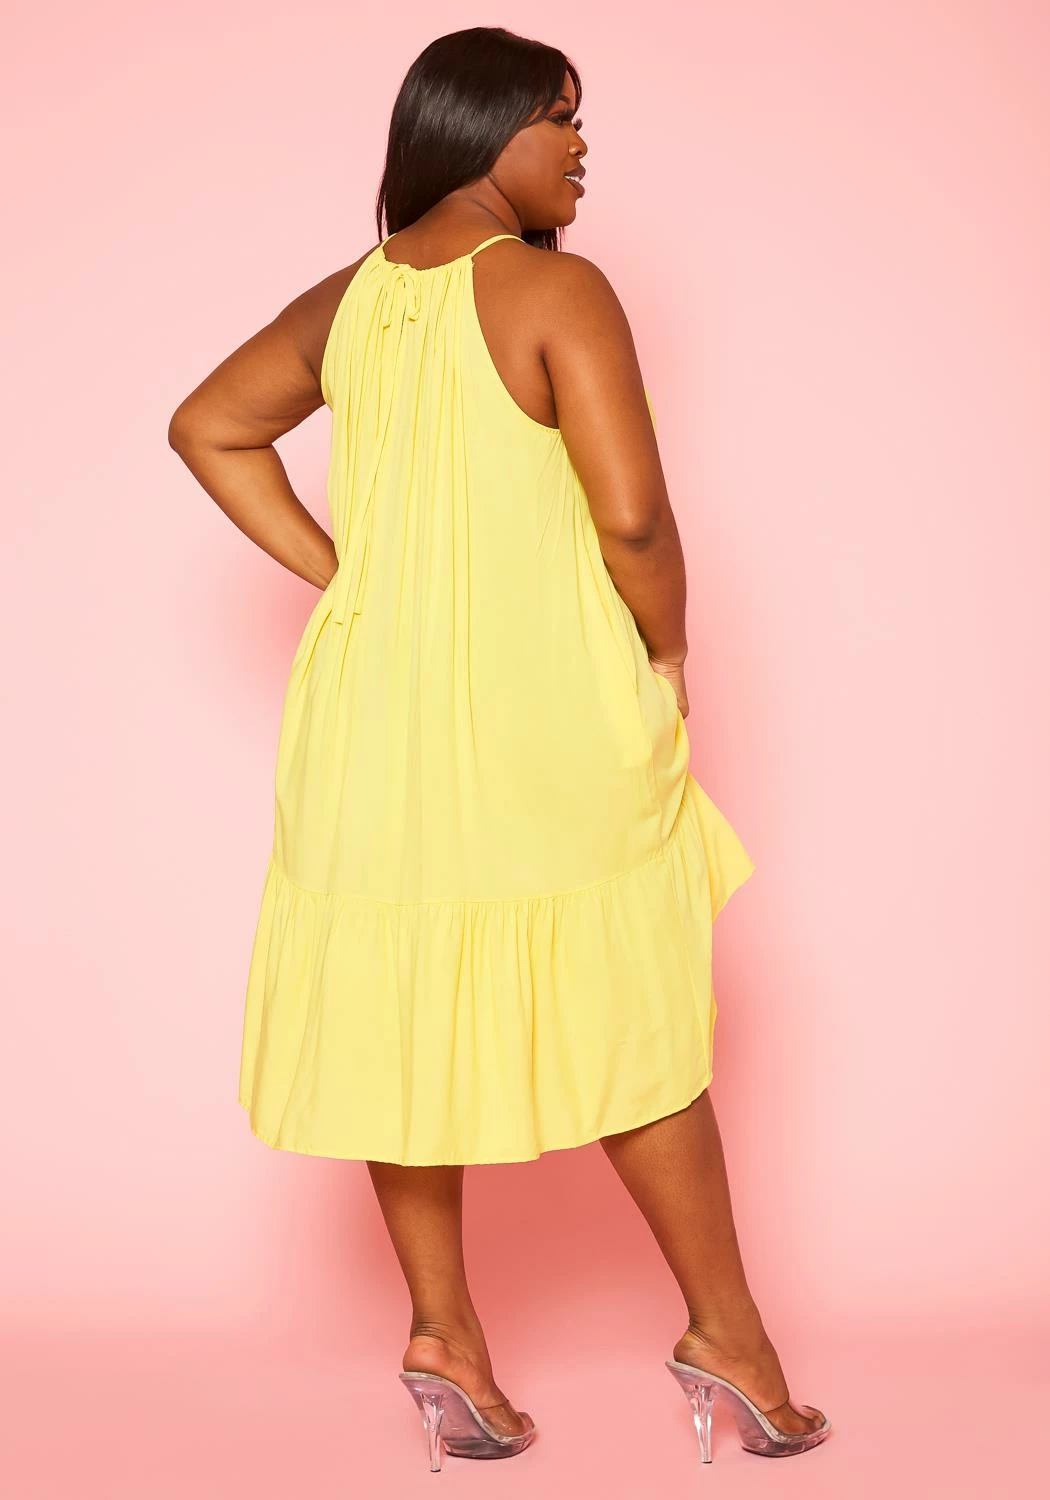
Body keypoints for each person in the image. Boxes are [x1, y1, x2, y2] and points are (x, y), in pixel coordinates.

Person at [168, 24, 829, 1473]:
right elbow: (634, 518)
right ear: (479, 131)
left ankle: (443, 1338)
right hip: (540, 706)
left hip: (366, 719)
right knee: (632, 1007)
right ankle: (729, 1339)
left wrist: (354, 581)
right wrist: (668, 654)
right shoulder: (553, 288)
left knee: (401, 1009)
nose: (582, 147)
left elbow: (209, 426)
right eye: (559, 117)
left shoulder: (346, 301)